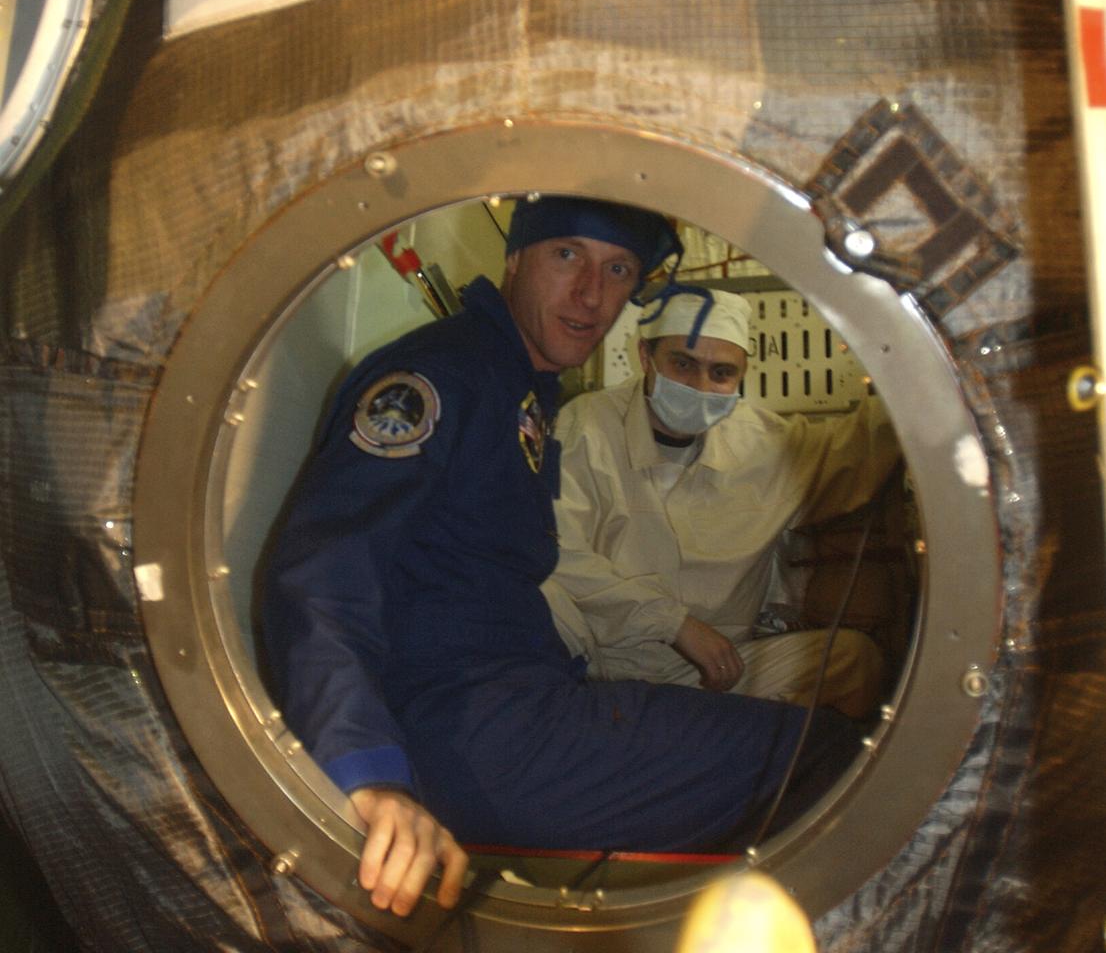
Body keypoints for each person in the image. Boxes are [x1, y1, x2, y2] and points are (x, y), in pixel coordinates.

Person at [262, 197, 862, 920]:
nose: (591, 293)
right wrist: (371, 774)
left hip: (527, 699)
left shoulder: (523, 392)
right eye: (566, 256)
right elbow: (325, 573)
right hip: (470, 732)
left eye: (617, 270)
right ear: (514, 259)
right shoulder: (440, 375)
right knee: (832, 758)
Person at [543, 290, 902, 718]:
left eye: (721, 372)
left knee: (852, 661)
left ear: (741, 375)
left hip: (713, 672)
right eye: (683, 364)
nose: (700, 386)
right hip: (596, 665)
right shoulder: (584, 427)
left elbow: (859, 446)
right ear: (646, 355)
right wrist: (673, 624)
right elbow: (555, 552)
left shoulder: (761, 442)